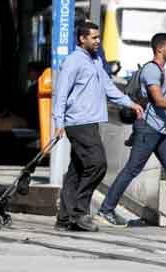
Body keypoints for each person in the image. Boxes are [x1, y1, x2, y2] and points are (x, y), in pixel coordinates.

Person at [97, 32, 166, 227]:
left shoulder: (159, 70)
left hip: (159, 130)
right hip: (149, 128)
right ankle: (106, 209)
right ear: (160, 49)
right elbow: (158, 100)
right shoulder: (152, 71)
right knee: (132, 169)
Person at [50, 20, 144, 233]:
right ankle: (79, 212)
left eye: (99, 37)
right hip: (77, 122)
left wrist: (130, 103)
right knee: (97, 164)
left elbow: (108, 88)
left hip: (91, 122)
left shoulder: (95, 61)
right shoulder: (73, 61)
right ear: (82, 39)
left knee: (77, 170)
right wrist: (58, 122)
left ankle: (64, 218)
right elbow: (61, 93)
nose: (98, 41)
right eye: (94, 37)